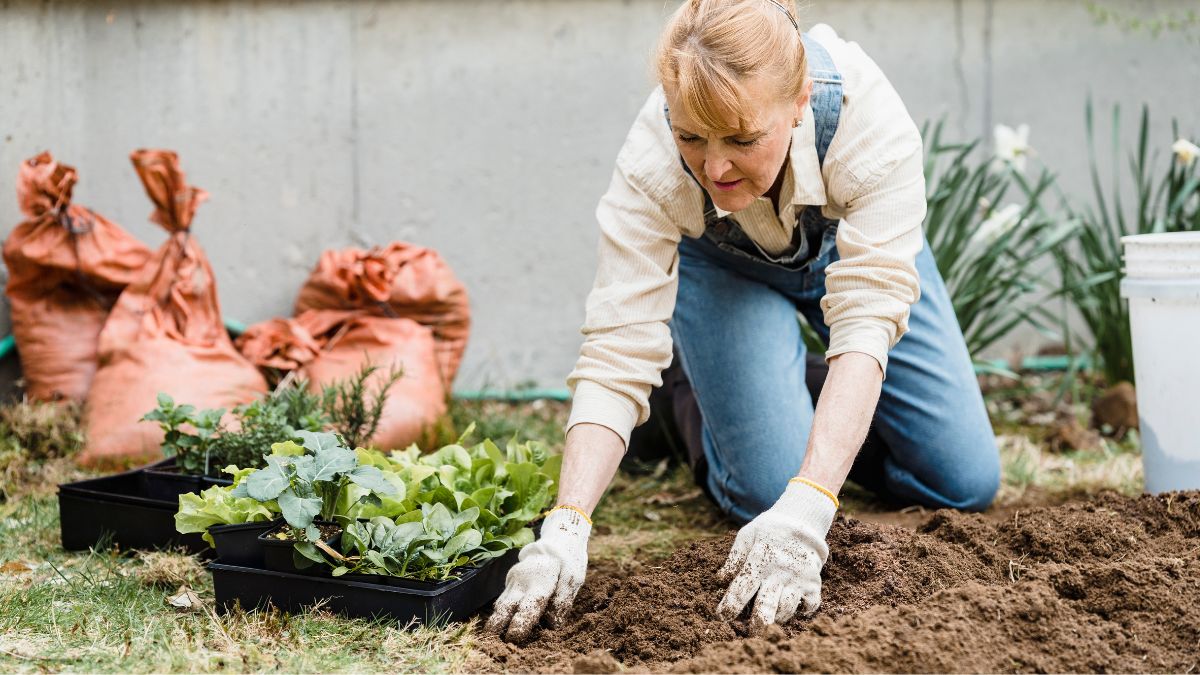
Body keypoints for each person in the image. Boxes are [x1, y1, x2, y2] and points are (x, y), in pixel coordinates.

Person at [487, 0, 1000, 642]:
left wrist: (812, 504)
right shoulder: (651, 162)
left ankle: (754, 381)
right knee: (766, 491)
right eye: (691, 137)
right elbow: (618, 348)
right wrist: (565, 528)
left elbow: (866, 323)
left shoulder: (866, 121)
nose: (715, 168)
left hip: (854, 258)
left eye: (742, 139)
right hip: (725, 271)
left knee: (962, 482)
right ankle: (689, 395)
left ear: (799, 100)